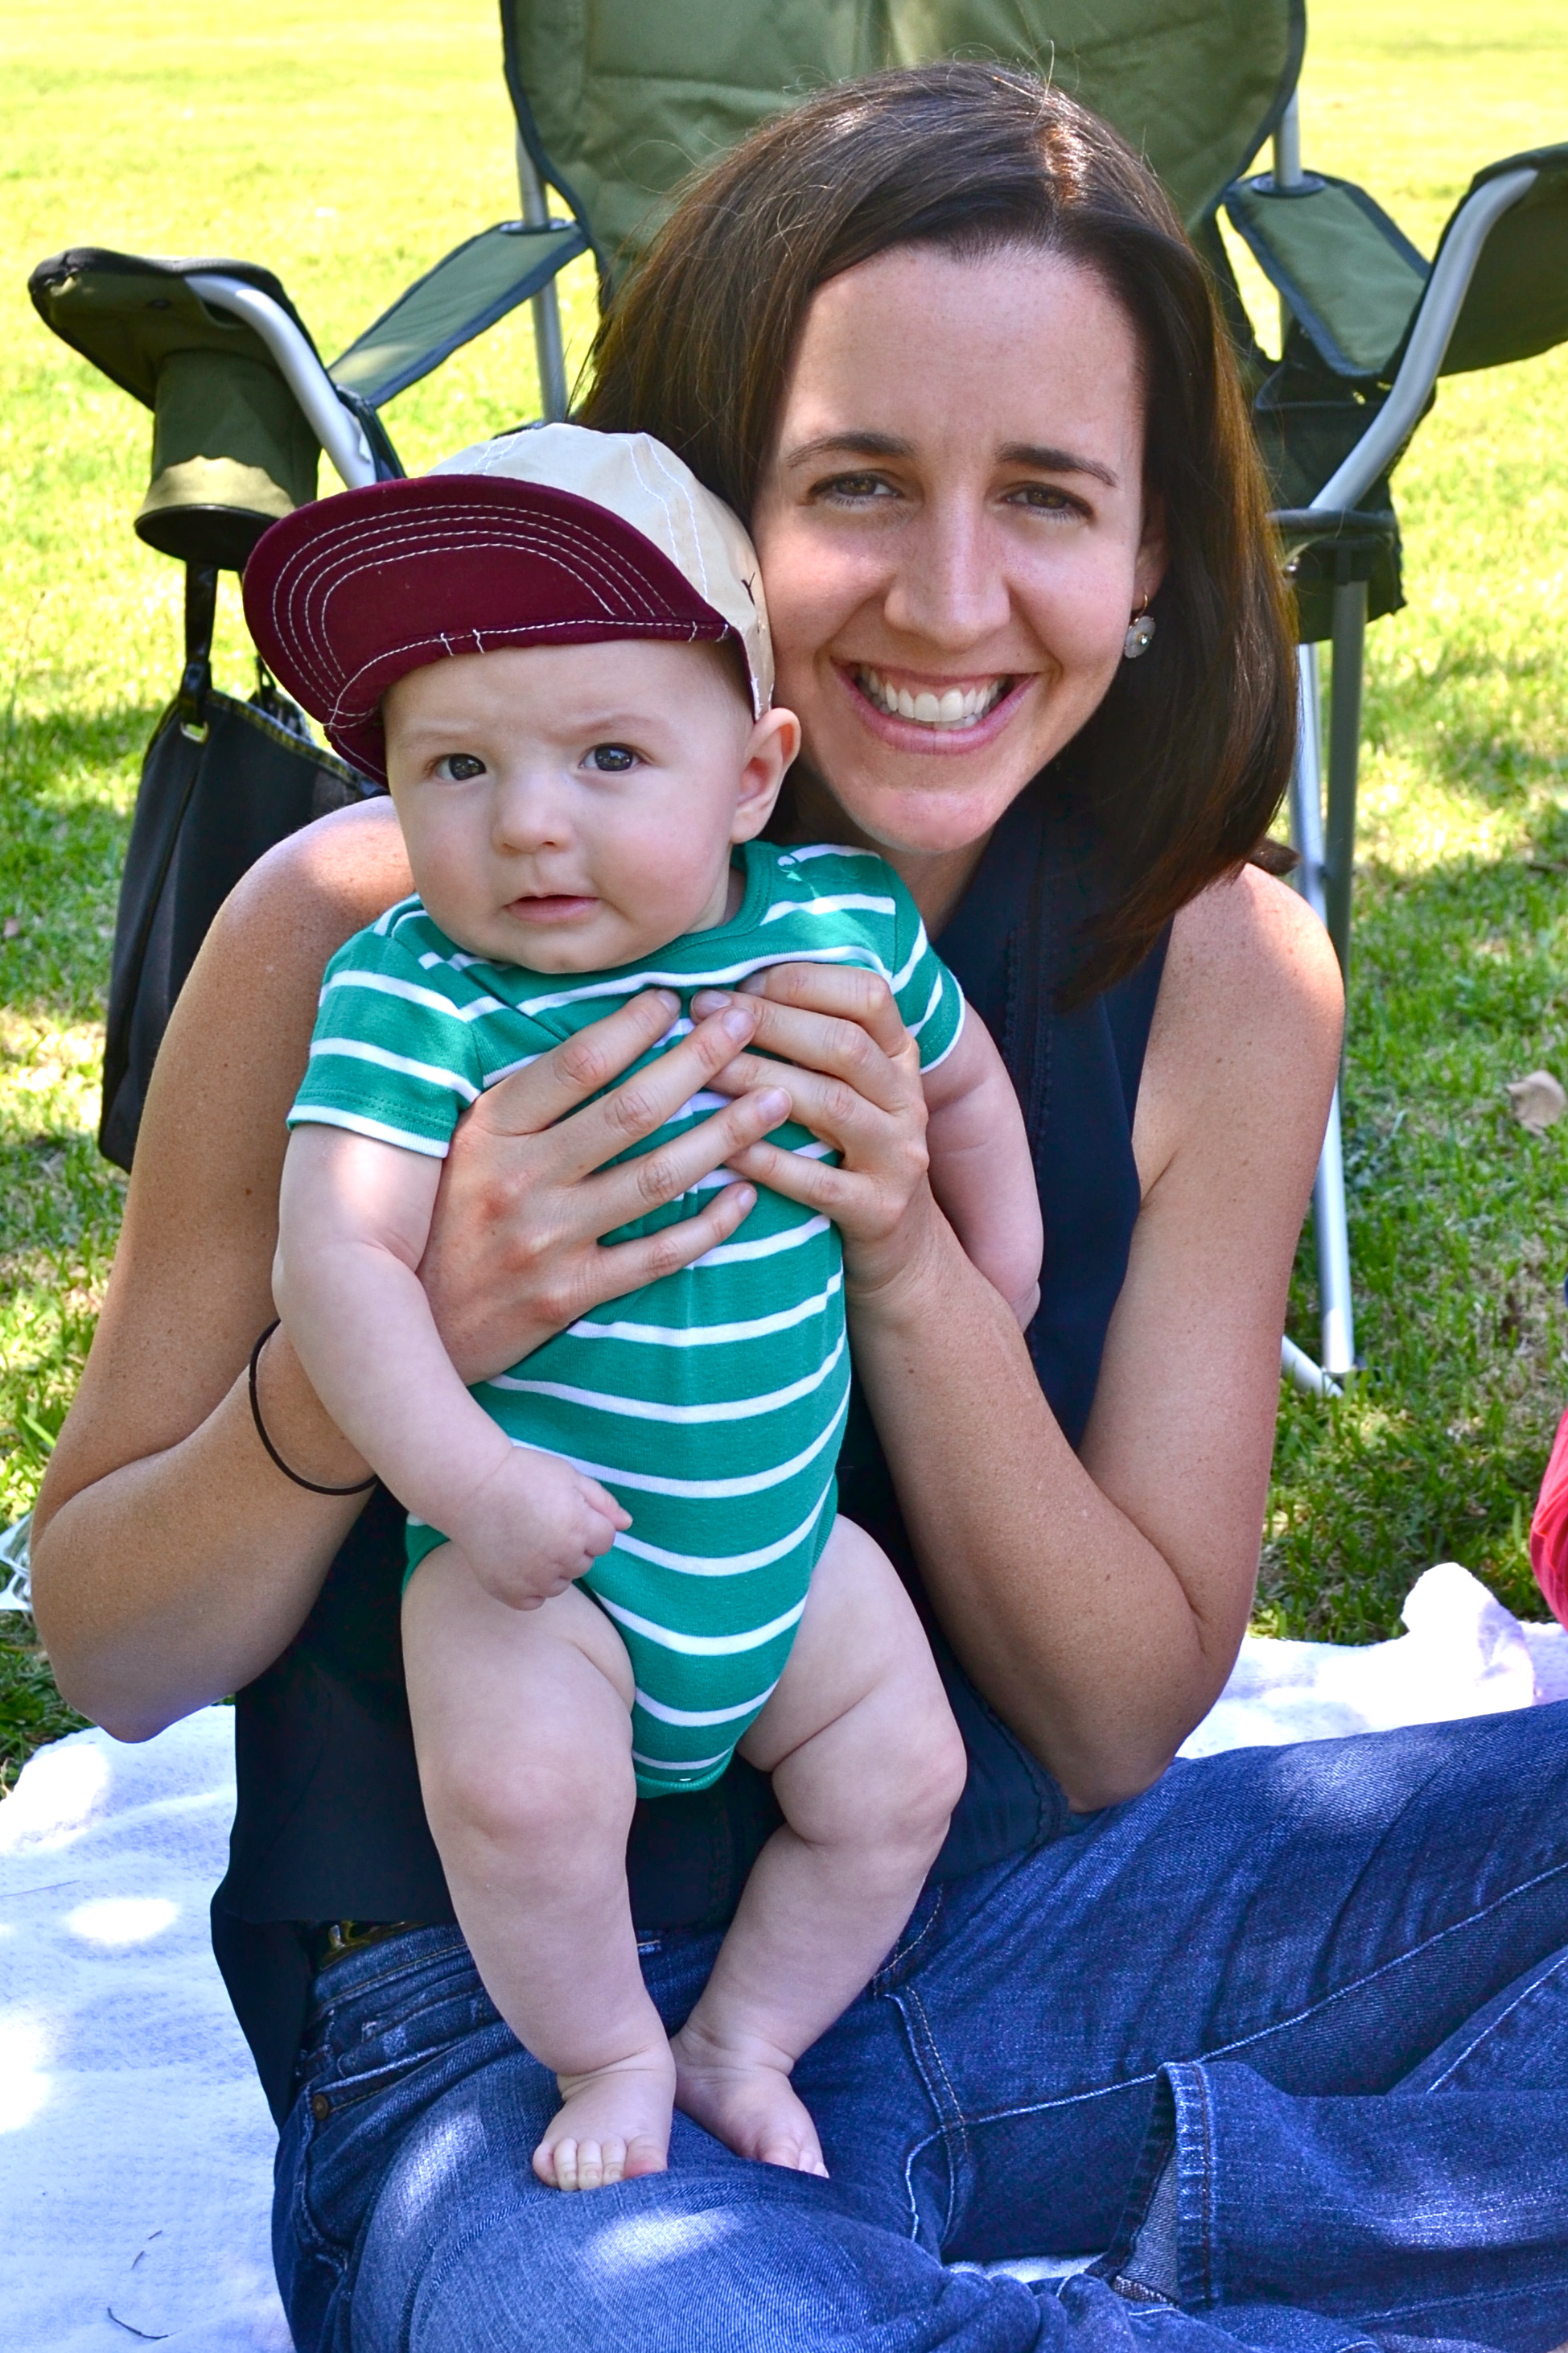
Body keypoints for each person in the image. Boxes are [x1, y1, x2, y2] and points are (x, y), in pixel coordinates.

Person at [29, 62, 1568, 2353]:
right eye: (854, 484)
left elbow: (1114, 1720)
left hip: (1012, 1932)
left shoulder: (1222, 976)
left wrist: (911, 1254)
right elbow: (110, 1646)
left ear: (1153, 554)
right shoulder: (362, 926)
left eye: (1045, 495)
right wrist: (392, 1350)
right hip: (505, 2050)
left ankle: (1206, 2237)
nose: (949, 598)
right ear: (702, 524)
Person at [253, 422, 1036, 2190]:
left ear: (752, 774)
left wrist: (996, 1268)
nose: (530, 821)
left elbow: (965, 1086)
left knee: (897, 1778)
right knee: (524, 1802)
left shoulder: (836, 927)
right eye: (457, 767)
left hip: (785, 1557)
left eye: (609, 756)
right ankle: (607, 2050)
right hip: (541, 1572)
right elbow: (339, 1263)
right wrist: (469, 1483)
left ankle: (745, 2038)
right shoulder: (416, 995)